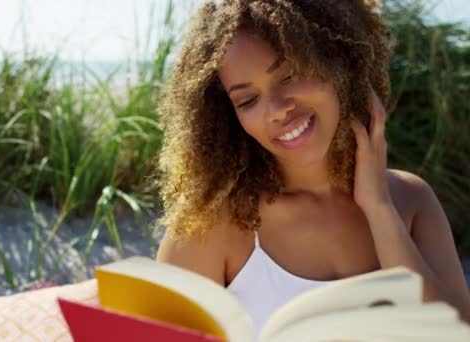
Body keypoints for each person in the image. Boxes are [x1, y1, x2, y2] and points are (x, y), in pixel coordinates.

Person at [154, 0, 470, 335]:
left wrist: (379, 209)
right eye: (248, 100)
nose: (276, 110)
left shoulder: (411, 201)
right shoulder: (209, 223)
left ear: (339, 61)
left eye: (289, 76)